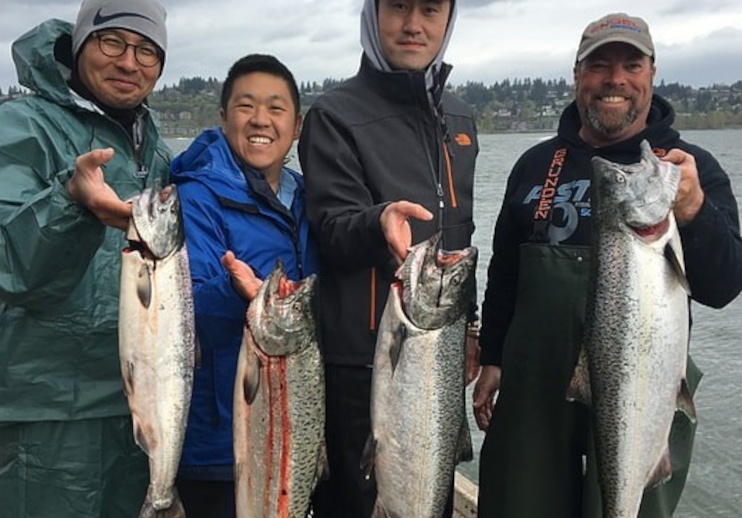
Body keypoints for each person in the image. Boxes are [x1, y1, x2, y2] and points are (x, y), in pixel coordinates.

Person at [473, 12, 742, 518]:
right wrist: (492, 357)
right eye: (599, 65)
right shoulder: (534, 164)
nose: (614, 79)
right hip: (533, 391)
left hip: (645, 383)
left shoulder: (691, 169)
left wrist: (692, 211)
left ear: (651, 75)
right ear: (578, 76)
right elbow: (506, 272)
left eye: (630, 64)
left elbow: (723, 285)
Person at [0, 0, 170, 516]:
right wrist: (70, 201)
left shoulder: (153, 146)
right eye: (112, 42)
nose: (129, 62)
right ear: (78, 47)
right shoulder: (22, 125)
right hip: (52, 411)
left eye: (147, 50)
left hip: (142, 408)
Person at [297, 0, 479, 516]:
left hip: (438, 349)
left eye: (430, 9)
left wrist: (471, 328)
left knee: (428, 499)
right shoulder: (334, 114)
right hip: (362, 362)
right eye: (398, 7)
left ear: (449, 18)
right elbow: (330, 228)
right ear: (373, 16)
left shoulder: (459, 118)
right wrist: (377, 223)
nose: (414, 24)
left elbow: (461, 235)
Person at [169, 53, 319, 518]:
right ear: (223, 117)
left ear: (296, 126)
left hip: (295, 428)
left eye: (276, 108)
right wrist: (238, 293)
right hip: (220, 443)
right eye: (245, 106)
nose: (260, 120)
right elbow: (183, 321)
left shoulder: (309, 198)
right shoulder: (196, 197)